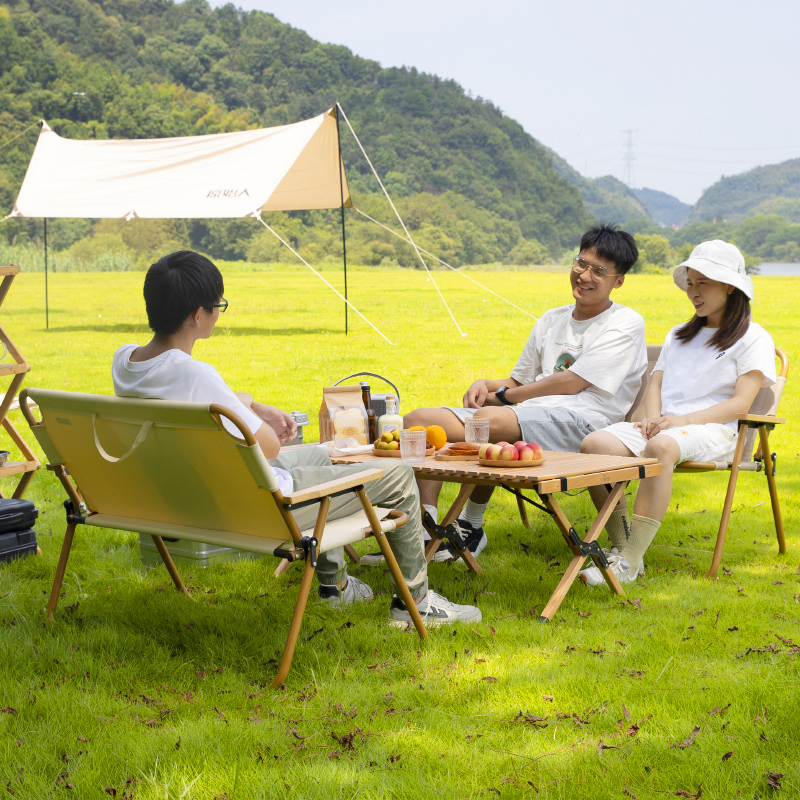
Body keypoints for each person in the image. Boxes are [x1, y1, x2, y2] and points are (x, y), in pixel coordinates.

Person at [111, 250, 481, 626]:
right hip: (258, 507)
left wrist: (251, 404)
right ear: (196, 315)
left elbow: (210, 404)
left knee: (323, 456)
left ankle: (334, 588)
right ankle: (414, 603)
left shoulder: (126, 362)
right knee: (400, 474)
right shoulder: (195, 375)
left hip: (186, 496)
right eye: (217, 305)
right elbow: (269, 446)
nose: (218, 313)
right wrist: (252, 414)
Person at [388, 225, 646, 562]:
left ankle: (471, 525)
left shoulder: (625, 322)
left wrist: (507, 397)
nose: (584, 275)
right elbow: (517, 381)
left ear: (618, 281)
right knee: (417, 422)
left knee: (489, 421)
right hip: (520, 416)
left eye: (599, 271)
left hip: (584, 423)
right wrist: (489, 386)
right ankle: (425, 530)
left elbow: (572, 382)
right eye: (581, 264)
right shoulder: (551, 319)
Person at [579, 240, 776, 587]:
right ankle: (625, 548)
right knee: (594, 445)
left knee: (662, 447)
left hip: (715, 431)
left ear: (730, 286)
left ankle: (628, 563)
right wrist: (654, 418)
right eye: (690, 283)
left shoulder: (752, 337)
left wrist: (676, 423)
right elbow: (656, 385)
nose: (693, 292)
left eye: (703, 283)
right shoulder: (680, 335)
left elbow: (740, 404)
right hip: (666, 428)